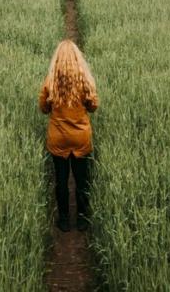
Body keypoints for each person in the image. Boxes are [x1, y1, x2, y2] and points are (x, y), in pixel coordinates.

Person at [39, 39, 99, 232]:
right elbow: (94, 106)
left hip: (58, 139)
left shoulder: (50, 82)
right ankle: (82, 219)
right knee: (82, 180)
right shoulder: (84, 80)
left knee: (61, 181)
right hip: (80, 138)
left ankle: (63, 220)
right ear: (76, 58)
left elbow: (43, 108)